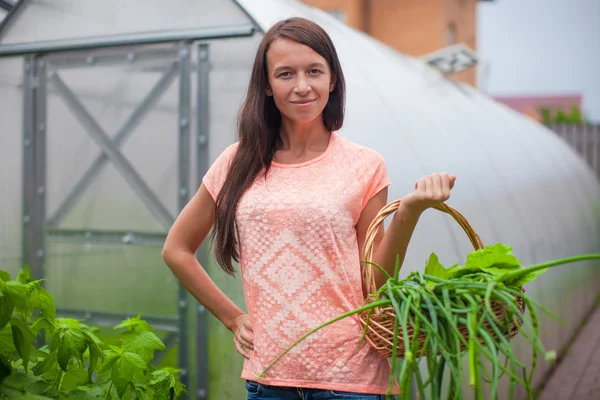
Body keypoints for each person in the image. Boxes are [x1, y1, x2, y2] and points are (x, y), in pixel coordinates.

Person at [162, 17, 456, 400]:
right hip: (269, 378)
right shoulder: (237, 162)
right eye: (285, 74)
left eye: (314, 71)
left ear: (332, 79)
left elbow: (376, 284)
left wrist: (410, 212)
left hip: (351, 379)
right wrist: (233, 317)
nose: (302, 86)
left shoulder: (364, 165)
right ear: (267, 86)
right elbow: (176, 249)